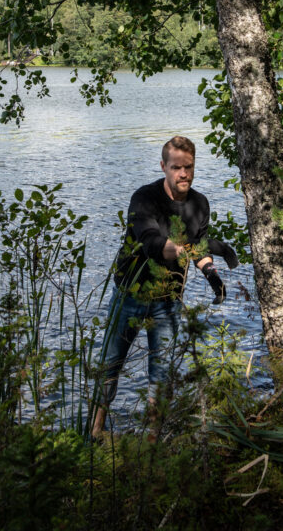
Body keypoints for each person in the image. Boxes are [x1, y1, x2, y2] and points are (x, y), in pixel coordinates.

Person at [89, 135, 238, 440]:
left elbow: (197, 246)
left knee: (162, 373)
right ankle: (94, 431)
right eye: (176, 167)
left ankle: (153, 440)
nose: (183, 173)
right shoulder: (144, 198)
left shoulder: (200, 204)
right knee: (110, 364)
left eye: (189, 167)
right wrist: (192, 250)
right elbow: (152, 242)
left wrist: (210, 271)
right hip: (130, 293)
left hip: (168, 300)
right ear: (163, 166)